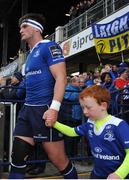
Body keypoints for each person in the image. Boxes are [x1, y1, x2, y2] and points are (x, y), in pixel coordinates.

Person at [9, 13, 78, 179]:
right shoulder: (30, 54)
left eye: (24, 26)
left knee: (59, 160)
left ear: (36, 28)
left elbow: (61, 78)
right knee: (17, 156)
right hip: (27, 110)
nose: (20, 30)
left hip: (45, 110)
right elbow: (21, 80)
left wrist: (54, 109)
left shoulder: (50, 46)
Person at [45, 85, 129, 179]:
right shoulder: (90, 124)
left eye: (88, 107)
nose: (85, 112)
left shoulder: (119, 125)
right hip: (97, 175)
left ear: (103, 106)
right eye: (82, 108)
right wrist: (54, 123)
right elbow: (72, 132)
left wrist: (120, 174)